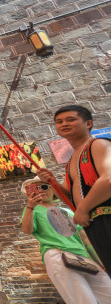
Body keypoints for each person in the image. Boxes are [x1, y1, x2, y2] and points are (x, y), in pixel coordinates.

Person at [20, 176, 111, 304]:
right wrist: (29, 207)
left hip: (85, 258)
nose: (39, 191)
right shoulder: (33, 211)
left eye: (43, 186)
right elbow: (27, 230)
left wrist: (99, 260)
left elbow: (85, 238)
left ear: (52, 188)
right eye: (31, 190)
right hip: (58, 256)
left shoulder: (69, 210)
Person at [38, 105, 111, 272]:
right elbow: (68, 196)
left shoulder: (98, 144)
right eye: (59, 122)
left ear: (88, 123)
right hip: (94, 223)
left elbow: (108, 179)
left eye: (71, 119)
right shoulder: (72, 160)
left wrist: (83, 209)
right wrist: (52, 181)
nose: (64, 124)